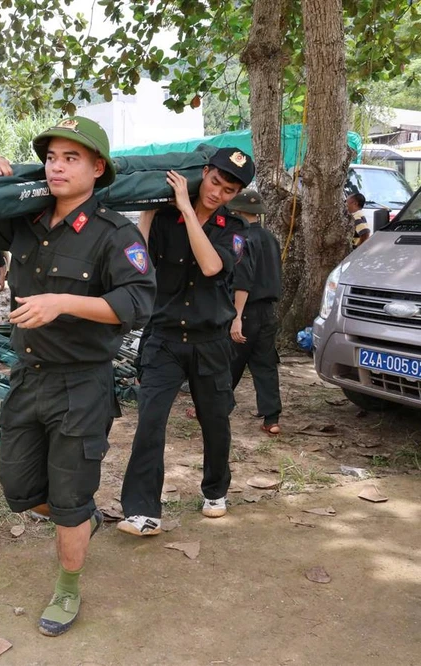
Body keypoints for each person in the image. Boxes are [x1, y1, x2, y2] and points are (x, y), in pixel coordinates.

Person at [0, 116, 155, 637]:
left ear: (98, 168)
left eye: (71, 158)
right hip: (27, 378)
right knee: (19, 486)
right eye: (51, 157)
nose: (56, 166)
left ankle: (68, 586)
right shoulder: (26, 219)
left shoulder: (114, 233)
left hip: (82, 384)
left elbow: (138, 301)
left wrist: (63, 303)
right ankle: (82, 516)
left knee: (68, 498)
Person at [118, 147, 254, 537]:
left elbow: (212, 266)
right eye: (215, 181)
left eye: (228, 190)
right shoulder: (164, 217)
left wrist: (188, 210)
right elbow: (139, 261)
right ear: (204, 173)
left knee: (215, 421)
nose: (217, 193)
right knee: (150, 422)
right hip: (163, 339)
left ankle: (215, 489)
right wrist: (147, 212)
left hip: (210, 341)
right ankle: (143, 510)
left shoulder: (234, 229)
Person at [227, 190, 283, 435]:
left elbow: (242, 280)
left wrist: (236, 316)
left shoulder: (239, 239)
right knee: (265, 364)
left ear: (237, 211)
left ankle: (215, 407)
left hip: (246, 310)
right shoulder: (270, 238)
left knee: (229, 362)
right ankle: (272, 418)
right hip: (268, 312)